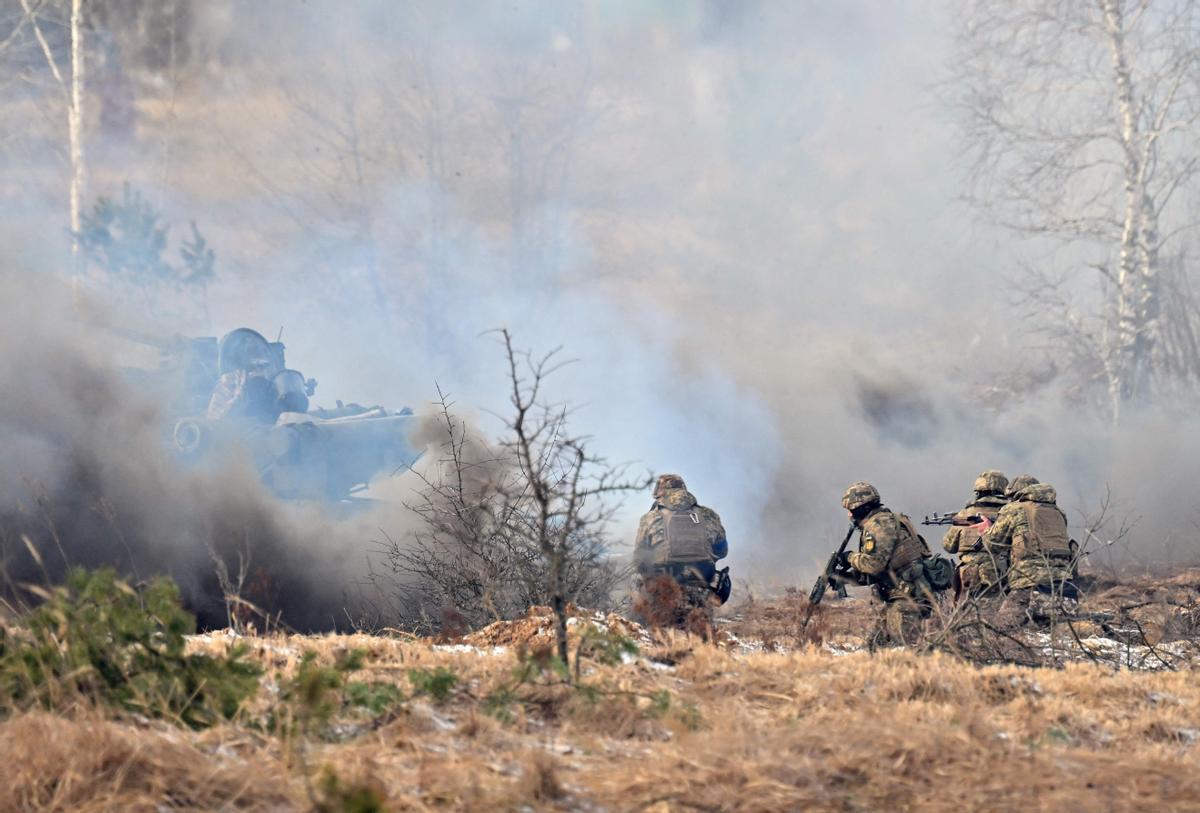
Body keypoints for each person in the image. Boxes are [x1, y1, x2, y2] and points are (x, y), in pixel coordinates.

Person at [838, 482, 932, 646]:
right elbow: (880, 571)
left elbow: (875, 565)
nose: (849, 515)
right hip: (897, 597)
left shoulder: (879, 525)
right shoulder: (884, 520)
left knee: (904, 652)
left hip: (906, 599)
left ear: (861, 508)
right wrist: (844, 577)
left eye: (851, 510)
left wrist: (850, 558)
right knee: (876, 647)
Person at [633, 474, 729, 630]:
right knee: (703, 641)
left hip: (664, 591)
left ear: (660, 493)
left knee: (660, 640)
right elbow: (722, 550)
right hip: (701, 590)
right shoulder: (709, 515)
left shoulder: (650, 518)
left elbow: (639, 560)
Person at [982, 477, 1077, 628]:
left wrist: (986, 528)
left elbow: (993, 544)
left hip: (1028, 583)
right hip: (1065, 585)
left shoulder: (1014, 509)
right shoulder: (1058, 512)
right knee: (1049, 634)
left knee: (999, 630)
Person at [941, 470, 1010, 599]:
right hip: (1001, 574)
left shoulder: (965, 513)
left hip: (967, 576)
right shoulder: (1010, 513)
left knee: (967, 613)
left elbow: (948, 546)